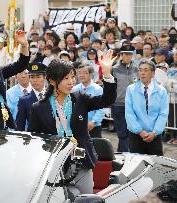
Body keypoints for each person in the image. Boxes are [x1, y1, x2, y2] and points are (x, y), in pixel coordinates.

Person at [28, 50, 117, 195]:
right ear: (51, 81)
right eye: (65, 78)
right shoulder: (39, 108)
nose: (71, 82)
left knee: (86, 198)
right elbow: (35, 141)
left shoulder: (79, 98)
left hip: (82, 163)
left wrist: (106, 74)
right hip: (54, 166)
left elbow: (107, 100)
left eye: (72, 77)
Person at [125, 59, 168, 156]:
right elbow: (129, 113)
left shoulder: (161, 91)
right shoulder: (131, 89)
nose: (142, 73)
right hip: (136, 135)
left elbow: (163, 114)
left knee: (156, 166)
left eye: (146, 70)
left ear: (152, 73)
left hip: (155, 136)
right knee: (136, 167)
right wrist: (140, 131)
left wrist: (155, 132)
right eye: (140, 70)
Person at [111, 45, 138, 152]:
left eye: (130, 54)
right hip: (118, 104)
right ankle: (124, 155)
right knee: (122, 133)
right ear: (121, 55)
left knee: (131, 132)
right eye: (126, 54)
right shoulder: (114, 69)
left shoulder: (136, 69)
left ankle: (123, 153)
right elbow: (109, 87)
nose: (128, 56)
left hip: (133, 105)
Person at [72, 63, 105, 138]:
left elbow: (101, 109)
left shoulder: (98, 89)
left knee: (95, 148)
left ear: (91, 75)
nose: (81, 75)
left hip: (94, 126)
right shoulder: (74, 89)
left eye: (85, 73)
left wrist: (93, 122)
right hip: (78, 126)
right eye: (79, 73)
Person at [16, 62, 47, 131]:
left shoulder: (53, 96)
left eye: (38, 77)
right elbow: (19, 127)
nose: (35, 80)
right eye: (32, 77)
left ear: (45, 78)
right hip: (34, 139)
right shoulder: (24, 100)